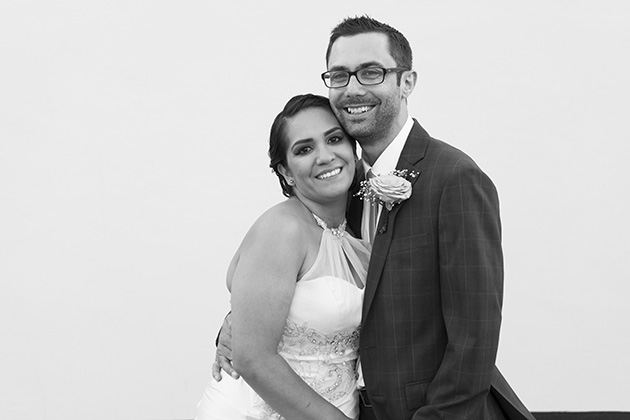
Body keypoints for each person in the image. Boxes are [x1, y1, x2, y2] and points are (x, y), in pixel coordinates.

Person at [213, 16, 536, 420]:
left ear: (407, 82)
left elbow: (474, 340)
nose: (353, 89)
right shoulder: (343, 187)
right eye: (340, 75)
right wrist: (236, 327)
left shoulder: (454, 178)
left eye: (371, 73)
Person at [194, 93, 371, 420]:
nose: (325, 156)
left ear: (354, 150)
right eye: (304, 149)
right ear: (286, 173)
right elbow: (252, 357)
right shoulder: (282, 229)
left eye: (334, 139)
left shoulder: (362, 228)